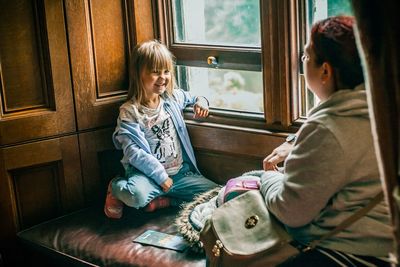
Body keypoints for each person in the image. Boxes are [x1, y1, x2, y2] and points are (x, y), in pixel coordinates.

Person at [260, 16, 394, 266]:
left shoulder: (329, 127)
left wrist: (266, 177)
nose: (302, 62)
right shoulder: (382, 107)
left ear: (325, 70)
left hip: (354, 252)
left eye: (306, 57)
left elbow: (292, 211)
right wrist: (293, 142)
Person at [104, 40, 218, 219]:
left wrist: (201, 100)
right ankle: (115, 187)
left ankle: (165, 201)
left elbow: (194, 96)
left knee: (216, 196)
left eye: (166, 71)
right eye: (155, 72)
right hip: (147, 176)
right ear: (138, 74)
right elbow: (134, 152)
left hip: (179, 174)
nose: (163, 77)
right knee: (135, 195)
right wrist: (160, 176)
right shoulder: (129, 111)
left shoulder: (171, 98)